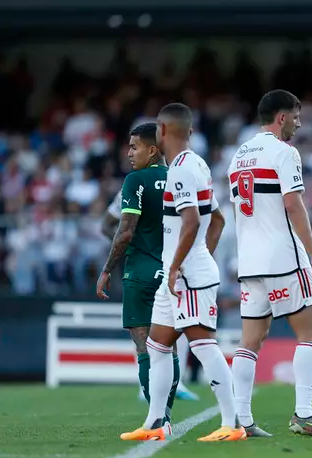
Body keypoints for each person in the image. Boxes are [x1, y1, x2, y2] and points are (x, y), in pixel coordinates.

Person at [119, 103, 237, 442]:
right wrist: (200, 255)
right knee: (157, 347)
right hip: (181, 273)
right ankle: (156, 422)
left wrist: (180, 265)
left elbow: (190, 221)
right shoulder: (194, 162)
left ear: (164, 131)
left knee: (203, 345)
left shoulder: (183, 170)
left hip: (184, 275)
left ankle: (232, 423)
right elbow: (216, 219)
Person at [227, 89, 312, 438]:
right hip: (284, 259)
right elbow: (293, 205)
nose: (299, 123)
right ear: (281, 118)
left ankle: (241, 419)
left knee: (250, 341)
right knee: (309, 333)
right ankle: (304, 415)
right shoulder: (284, 152)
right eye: (296, 116)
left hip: (249, 262)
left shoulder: (239, 155)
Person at [97, 123, 181, 422]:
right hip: (174, 270)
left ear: (153, 149)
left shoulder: (135, 180)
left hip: (142, 271)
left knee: (144, 344)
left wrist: (107, 269)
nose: (129, 153)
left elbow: (124, 231)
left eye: (134, 147)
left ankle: (158, 418)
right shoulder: (180, 176)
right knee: (168, 346)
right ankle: (166, 414)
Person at [103, 187, 199, 403]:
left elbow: (105, 225)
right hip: (154, 264)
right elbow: (106, 225)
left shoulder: (159, 184)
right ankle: (148, 385)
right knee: (153, 322)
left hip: (168, 262)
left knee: (172, 320)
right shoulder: (134, 189)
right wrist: (134, 244)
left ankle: (175, 382)